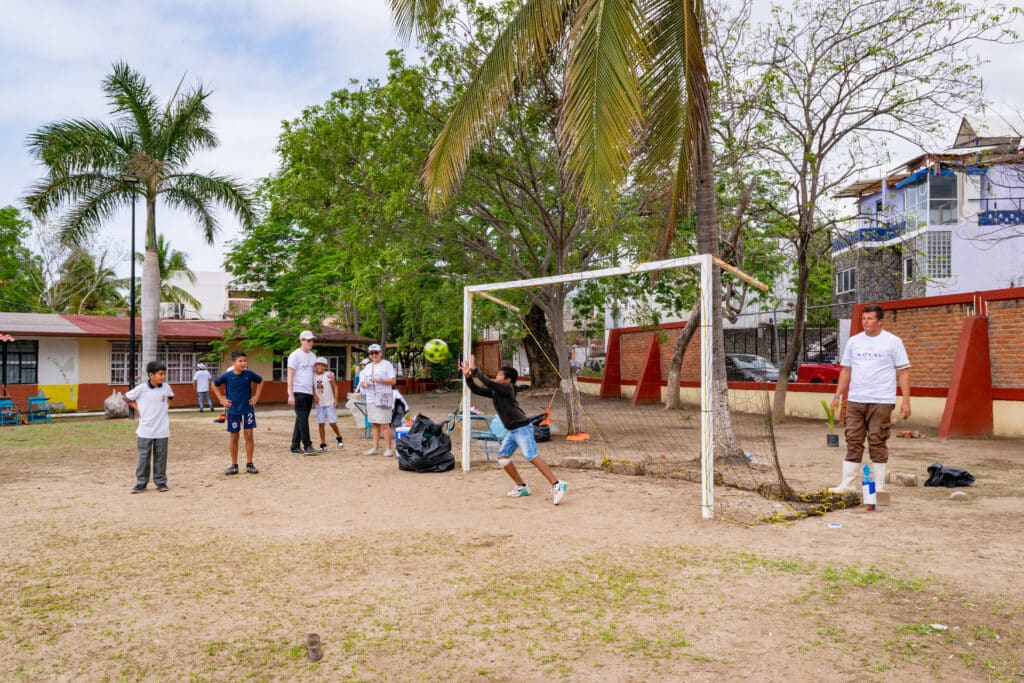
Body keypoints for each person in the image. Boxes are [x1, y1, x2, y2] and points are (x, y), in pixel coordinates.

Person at [459, 354, 568, 505]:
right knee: (503, 458)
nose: (496, 377)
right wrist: (468, 377)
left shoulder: (508, 388)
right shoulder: (496, 391)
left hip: (522, 428)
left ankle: (557, 484)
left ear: (507, 380)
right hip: (512, 431)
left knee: (531, 456)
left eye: (499, 375)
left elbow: (488, 382)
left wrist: (476, 370)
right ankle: (522, 487)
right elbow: (477, 389)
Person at [828, 304, 911, 494]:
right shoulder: (854, 341)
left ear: (880, 321)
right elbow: (846, 370)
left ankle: (879, 487)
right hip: (856, 399)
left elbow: (903, 372)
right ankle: (847, 483)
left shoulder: (893, 342)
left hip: (881, 399)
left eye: (870, 319)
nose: (866, 322)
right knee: (853, 438)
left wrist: (906, 400)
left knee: (877, 439)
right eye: (864, 319)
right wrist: (837, 395)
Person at [211, 350, 264, 475]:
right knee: (234, 436)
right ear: (233, 362)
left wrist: (256, 397)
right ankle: (234, 465)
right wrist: (221, 399)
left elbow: (261, 381)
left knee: (249, 436)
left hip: (248, 410)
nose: (243, 363)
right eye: (240, 361)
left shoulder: (249, 374)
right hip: (233, 411)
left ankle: (250, 464)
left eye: (245, 361)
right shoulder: (227, 376)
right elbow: (214, 384)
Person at [125, 360, 175, 493]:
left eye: (164, 374)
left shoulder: (166, 387)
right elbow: (127, 398)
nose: (163, 377)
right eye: (160, 374)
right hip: (145, 430)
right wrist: (138, 408)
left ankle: (161, 482)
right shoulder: (141, 388)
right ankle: (141, 483)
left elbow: (170, 398)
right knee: (143, 457)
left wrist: (166, 407)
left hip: (162, 430)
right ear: (151, 375)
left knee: (160, 457)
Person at [358, 343, 397, 456]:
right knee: (374, 423)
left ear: (381, 353)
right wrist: (364, 384)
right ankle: (375, 447)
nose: (374, 355)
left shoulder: (387, 365)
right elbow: (364, 381)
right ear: (369, 355)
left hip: (383, 396)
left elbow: (393, 381)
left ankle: (388, 449)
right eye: (372, 353)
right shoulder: (368, 367)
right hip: (371, 397)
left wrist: (379, 380)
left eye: (376, 352)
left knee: (384, 423)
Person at [287, 330, 317, 455]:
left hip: (309, 391)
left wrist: (315, 392)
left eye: (312, 340)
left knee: (301, 418)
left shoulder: (313, 356)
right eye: (308, 340)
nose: (311, 343)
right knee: (303, 418)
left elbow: (314, 375)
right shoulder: (295, 355)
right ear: (302, 340)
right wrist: (290, 394)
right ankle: (307, 445)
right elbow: (290, 375)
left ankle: (294, 446)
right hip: (298, 391)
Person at [313, 357, 344, 453]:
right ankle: (323, 444)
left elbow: (335, 386)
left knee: (332, 422)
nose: (320, 367)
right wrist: (314, 396)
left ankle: (339, 436)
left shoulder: (328, 375)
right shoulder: (312, 376)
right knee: (321, 423)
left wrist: (336, 399)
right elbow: (311, 388)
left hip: (329, 402)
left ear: (325, 367)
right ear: (315, 366)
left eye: (322, 365)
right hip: (319, 404)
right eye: (318, 364)